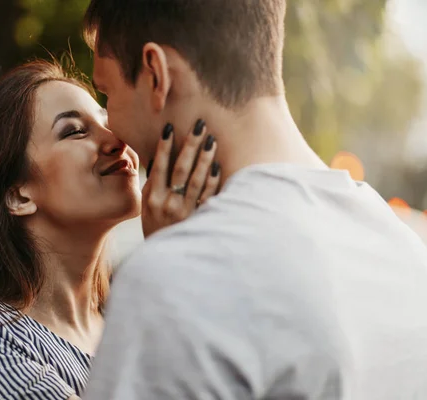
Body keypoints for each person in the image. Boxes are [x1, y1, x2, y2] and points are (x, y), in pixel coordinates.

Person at [81, 1, 427, 399]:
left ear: (156, 74)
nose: (111, 127)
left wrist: (173, 260)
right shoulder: (406, 250)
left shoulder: (174, 281)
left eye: (106, 92)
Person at [0, 60, 221, 400]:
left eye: (108, 122)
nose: (116, 140)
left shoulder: (132, 328)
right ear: (17, 195)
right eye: (75, 131)